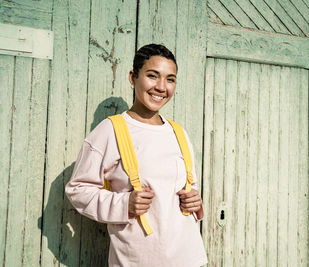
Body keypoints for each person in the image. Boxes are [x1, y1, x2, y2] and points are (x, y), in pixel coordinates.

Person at [65, 44, 208, 267]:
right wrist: (124, 204)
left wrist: (194, 199)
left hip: (188, 258)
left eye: (170, 79)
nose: (161, 87)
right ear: (133, 77)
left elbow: (188, 187)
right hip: (137, 260)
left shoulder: (178, 132)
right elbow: (78, 190)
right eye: (152, 76)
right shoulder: (110, 130)